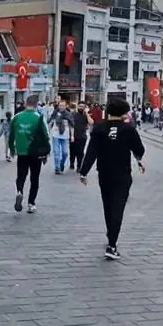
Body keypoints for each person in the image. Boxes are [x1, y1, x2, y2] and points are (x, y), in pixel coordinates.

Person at [78, 98, 145, 260]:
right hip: (122, 174)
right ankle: (112, 245)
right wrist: (138, 159)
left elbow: (91, 151)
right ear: (124, 112)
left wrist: (83, 171)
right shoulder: (129, 129)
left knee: (108, 206)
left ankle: (110, 233)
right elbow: (139, 149)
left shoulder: (99, 128)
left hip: (104, 173)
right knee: (118, 208)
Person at [7, 95, 50, 214]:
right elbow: (45, 136)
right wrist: (46, 153)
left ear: (26, 104)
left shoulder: (16, 117)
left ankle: (19, 191)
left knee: (21, 175)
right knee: (34, 178)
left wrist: (11, 148)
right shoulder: (39, 118)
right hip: (36, 153)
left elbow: (11, 135)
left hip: (21, 151)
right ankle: (31, 204)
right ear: (36, 105)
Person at [69, 102, 93, 172]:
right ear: (77, 107)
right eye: (80, 106)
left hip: (82, 137)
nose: (81, 108)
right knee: (72, 151)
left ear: (85, 107)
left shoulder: (86, 115)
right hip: (73, 136)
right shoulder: (73, 114)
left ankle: (79, 166)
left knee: (80, 152)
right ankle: (72, 163)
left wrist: (87, 114)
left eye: (83, 106)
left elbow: (91, 122)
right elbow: (70, 125)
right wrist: (71, 135)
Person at [49, 104, 73, 174]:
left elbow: (72, 125)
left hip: (65, 136)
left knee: (65, 153)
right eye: (60, 105)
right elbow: (50, 122)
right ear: (58, 106)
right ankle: (57, 168)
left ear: (65, 106)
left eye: (63, 105)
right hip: (55, 135)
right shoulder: (55, 113)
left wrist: (72, 136)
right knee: (56, 152)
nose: (61, 107)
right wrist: (48, 132)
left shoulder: (68, 114)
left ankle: (61, 164)